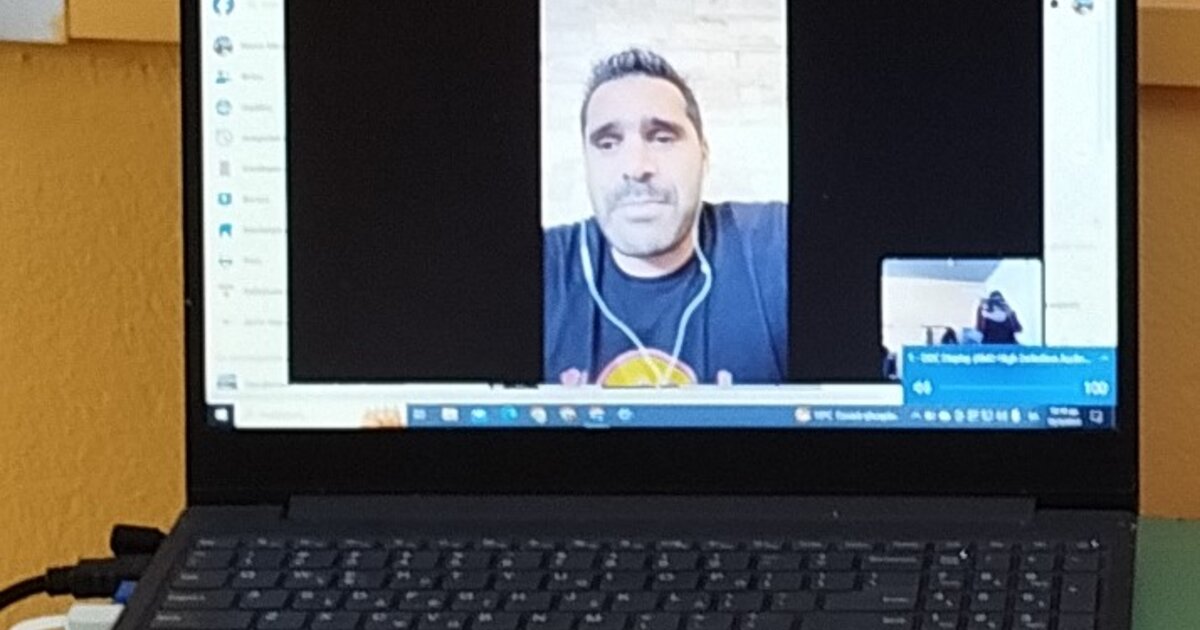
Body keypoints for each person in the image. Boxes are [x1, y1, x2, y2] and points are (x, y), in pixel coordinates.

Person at [544, 49, 787, 387]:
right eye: (608, 144)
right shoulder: (544, 268)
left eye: (662, 138)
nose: (636, 168)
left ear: (703, 155)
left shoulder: (773, 247)